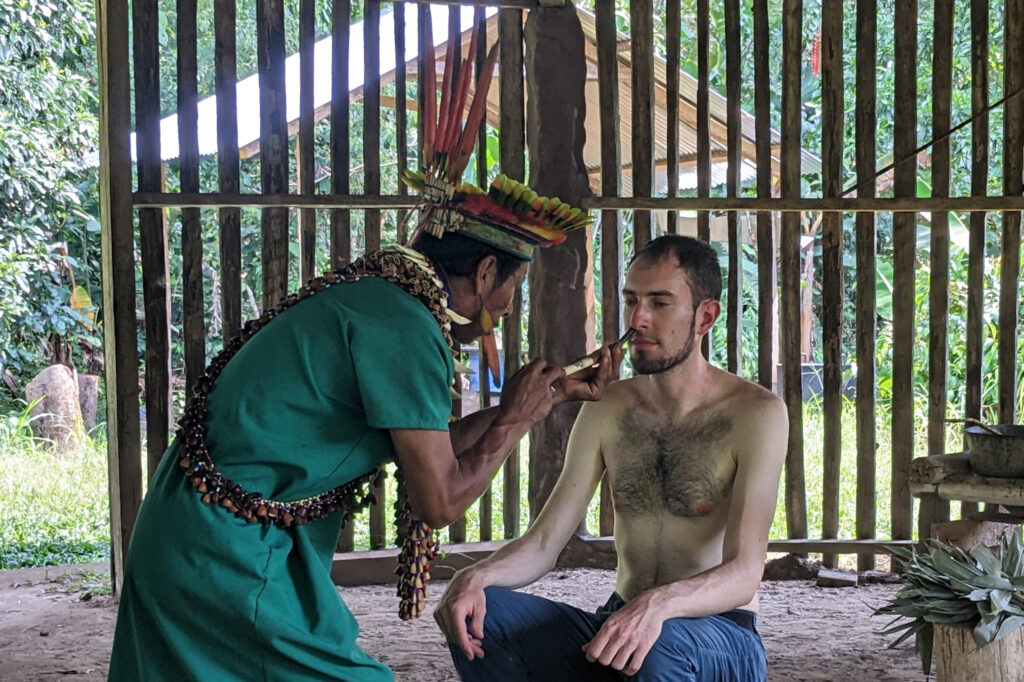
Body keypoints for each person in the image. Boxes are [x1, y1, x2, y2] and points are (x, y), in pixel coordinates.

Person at [107, 25, 621, 681]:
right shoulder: (407, 328)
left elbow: (426, 447)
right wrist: (515, 417)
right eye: (513, 287)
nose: (511, 305)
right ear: (487, 272)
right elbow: (438, 500)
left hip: (201, 536)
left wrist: (539, 401)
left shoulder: (383, 298)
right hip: (227, 555)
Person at [434, 234, 789, 682]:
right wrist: (476, 578)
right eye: (631, 300)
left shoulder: (755, 413)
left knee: (656, 648)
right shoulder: (609, 407)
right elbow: (545, 544)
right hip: (622, 622)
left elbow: (744, 573)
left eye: (660, 303)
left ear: (705, 317)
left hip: (721, 635)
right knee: (483, 611)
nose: (637, 319)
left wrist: (659, 604)